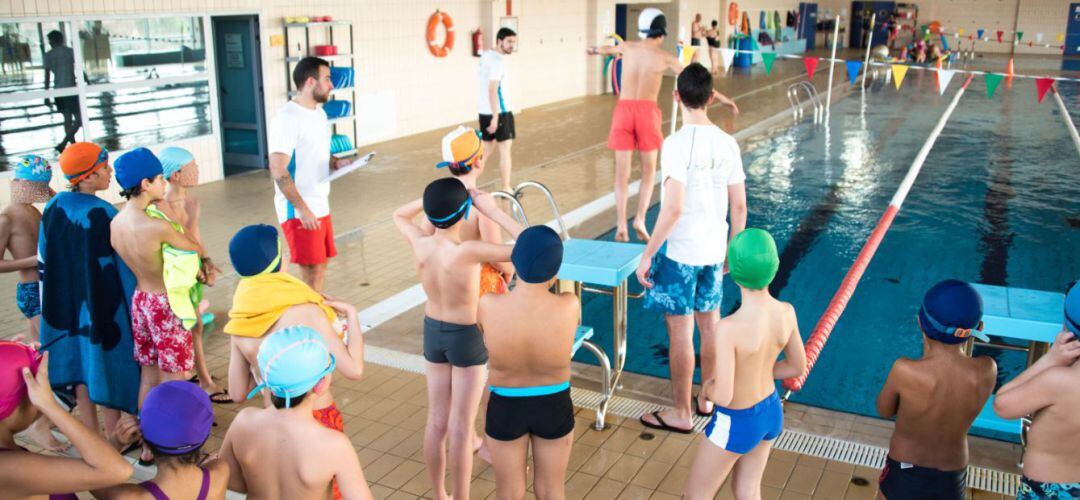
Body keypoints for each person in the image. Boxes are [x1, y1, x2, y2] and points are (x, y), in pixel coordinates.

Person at [393, 178, 524, 500]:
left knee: (436, 422)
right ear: (465, 212)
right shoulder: (468, 252)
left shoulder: (420, 241)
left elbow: (398, 215)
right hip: (465, 337)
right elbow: (529, 245)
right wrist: (492, 211)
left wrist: (433, 199)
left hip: (432, 331)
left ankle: (440, 495)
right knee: (462, 428)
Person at [635, 64, 747, 434]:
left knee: (682, 334)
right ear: (712, 98)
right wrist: (734, 249)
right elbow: (739, 207)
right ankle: (707, 397)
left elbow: (674, 207)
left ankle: (682, 413)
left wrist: (648, 252)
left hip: (681, 254)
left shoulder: (676, 143)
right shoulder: (728, 143)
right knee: (710, 326)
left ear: (677, 97)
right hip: (714, 253)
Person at [223, 224, 365, 499]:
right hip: (317, 419)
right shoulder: (308, 312)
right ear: (279, 262)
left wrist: (259, 363)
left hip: (270, 419)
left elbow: (238, 393)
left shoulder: (241, 320)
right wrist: (353, 317)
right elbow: (354, 370)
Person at [588, 8, 738, 242]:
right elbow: (695, 82)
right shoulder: (665, 58)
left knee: (621, 174)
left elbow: (606, 49)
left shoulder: (627, 47)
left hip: (624, 111)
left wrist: (594, 50)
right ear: (661, 33)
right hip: (647, 113)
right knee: (648, 172)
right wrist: (723, 98)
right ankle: (639, 218)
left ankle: (620, 225)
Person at [682, 229, 806, 500]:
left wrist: (706, 390)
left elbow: (723, 395)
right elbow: (797, 367)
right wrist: (760, 371)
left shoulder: (728, 328)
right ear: (774, 268)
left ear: (733, 273)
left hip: (737, 420)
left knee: (696, 496)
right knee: (747, 491)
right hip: (771, 411)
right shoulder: (786, 312)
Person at [40, 142, 141, 451]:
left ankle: (91, 433)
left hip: (66, 303)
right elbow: (123, 262)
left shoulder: (53, 207)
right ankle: (115, 436)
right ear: (86, 177)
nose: (110, 173)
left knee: (79, 365)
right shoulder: (103, 212)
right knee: (104, 360)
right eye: (104, 169)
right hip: (100, 303)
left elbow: (45, 256)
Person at [110, 147, 204, 465]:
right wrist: (187, 220)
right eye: (160, 179)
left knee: (149, 373)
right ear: (146, 183)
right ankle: (171, 444)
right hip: (166, 304)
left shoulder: (117, 223)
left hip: (141, 300)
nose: (164, 184)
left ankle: (148, 443)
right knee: (174, 377)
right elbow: (193, 247)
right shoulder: (156, 225)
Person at [479, 225, 578, 500]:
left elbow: (484, 334)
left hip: (506, 404)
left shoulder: (488, 305)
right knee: (551, 491)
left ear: (515, 260)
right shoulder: (569, 305)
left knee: (509, 493)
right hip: (553, 401)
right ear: (555, 270)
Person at [220, 326, 374, 500]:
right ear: (321, 384)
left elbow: (231, 482)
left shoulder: (244, 422)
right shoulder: (334, 445)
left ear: (265, 378)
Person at [875, 279, 997, 500]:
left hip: (905, 468)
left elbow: (884, 410)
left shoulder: (905, 370)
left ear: (920, 323)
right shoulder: (987, 369)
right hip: (952, 474)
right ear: (979, 329)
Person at [0, 342, 133, 499]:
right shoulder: (8, 468)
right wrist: (51, 407)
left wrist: (114, 443)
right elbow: (117, 471)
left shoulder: (10, 460)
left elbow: (91, 470)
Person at [269, 56, 357, 292]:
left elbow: (315, 152)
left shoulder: (319, 114)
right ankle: (307, 321)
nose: (331, 85)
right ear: (310, 82)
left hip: (320, 201)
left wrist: (336, 162)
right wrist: (302, 209)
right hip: (299, 208)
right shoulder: (287, 118)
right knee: (311, 271)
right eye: (327, 79)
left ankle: (313, 315)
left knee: (321, 267)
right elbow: (278, 168)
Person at [0, 155, 64, 452]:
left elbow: (58, 204)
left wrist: (48, 191)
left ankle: (33, 414)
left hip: (43, 288)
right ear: (18, 183)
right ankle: (40, 423)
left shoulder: (33, 210)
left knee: (37, 357)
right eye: (35, 185)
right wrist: (36, 259)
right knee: (51, 355)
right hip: (31, 291)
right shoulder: (7, 217)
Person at [993, 283, 1080, 499]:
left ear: (1067, 330)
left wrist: (1051, 359)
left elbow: (1002, 405)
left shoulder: (1059, 381)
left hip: (1050, 491)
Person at [154, 146, 226, 402]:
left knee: (194, 326)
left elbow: (198, 244)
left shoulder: (188, 201)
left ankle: (195, 372)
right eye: (192, 167)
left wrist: (206, 262)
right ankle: (203, 379)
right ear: (175, 175)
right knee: (190, 326)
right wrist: (194, 218)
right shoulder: (165, 205)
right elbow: (185, 241)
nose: (197, 170)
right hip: (178, 278)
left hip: (192, 273)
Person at [93, 381, 229, 500]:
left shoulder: (130, 497)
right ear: (206, 436)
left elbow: (92, 479)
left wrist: (116, 441)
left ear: (143, 441)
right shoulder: (220, 472)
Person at [432, 126, 514, 295]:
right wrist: (509, 270)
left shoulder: (436, 199)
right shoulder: (482, 204)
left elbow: (429, 240)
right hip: (476, 283)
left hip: (448, 280)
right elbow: (495, 256)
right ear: (478, 161)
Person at [477, 28, 518, 193]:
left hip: (484, 111)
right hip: (499, 112)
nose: (512, 46)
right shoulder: (497, 61)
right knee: (505, 150)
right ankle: (506, 188)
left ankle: (465, 185)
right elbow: (492, 90)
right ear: (499, 41)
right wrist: (495, 117)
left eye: (514, 42)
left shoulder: (486, 55)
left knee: (485, 151)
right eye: (509, 42)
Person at [43, 30, 80, 153]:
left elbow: (47, 76)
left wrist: (46, 95)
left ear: (54, 40)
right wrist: (87, 82)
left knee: (68, 120)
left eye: (50, 41)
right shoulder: (69, 52)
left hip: (59, 90)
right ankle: (70, 145)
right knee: (78, 120)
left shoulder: (49, 55)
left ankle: (66, 144)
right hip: (71, 88)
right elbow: (79, 70)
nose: (49, 43)